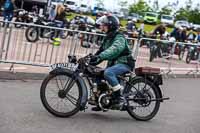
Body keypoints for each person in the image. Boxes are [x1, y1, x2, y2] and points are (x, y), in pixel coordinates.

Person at [89, 15, 135, 111]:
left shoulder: (119, 37)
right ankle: (101, 102)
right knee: (95, 73)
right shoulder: (107, 38)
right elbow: (100, 52)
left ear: (110, 26)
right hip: (114, 64)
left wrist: (100, 56)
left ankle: (118, 98)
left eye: (104, 25)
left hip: (125, 63)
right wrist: (91, 61)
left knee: (108, 72)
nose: (102, 27)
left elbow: (115, 49)